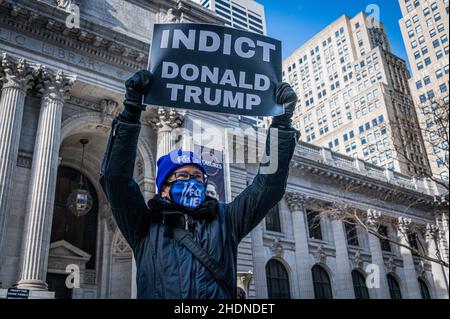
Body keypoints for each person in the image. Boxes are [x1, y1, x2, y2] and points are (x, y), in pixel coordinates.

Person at [99, 70, 298, 299]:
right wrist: (132, 110)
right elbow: (115, 179)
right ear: (164, 188)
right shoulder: (143, 226)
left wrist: (282, 123)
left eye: (197, 177)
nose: (192, 182)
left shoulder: (226, 222)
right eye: (183, 177)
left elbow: (269, 185)